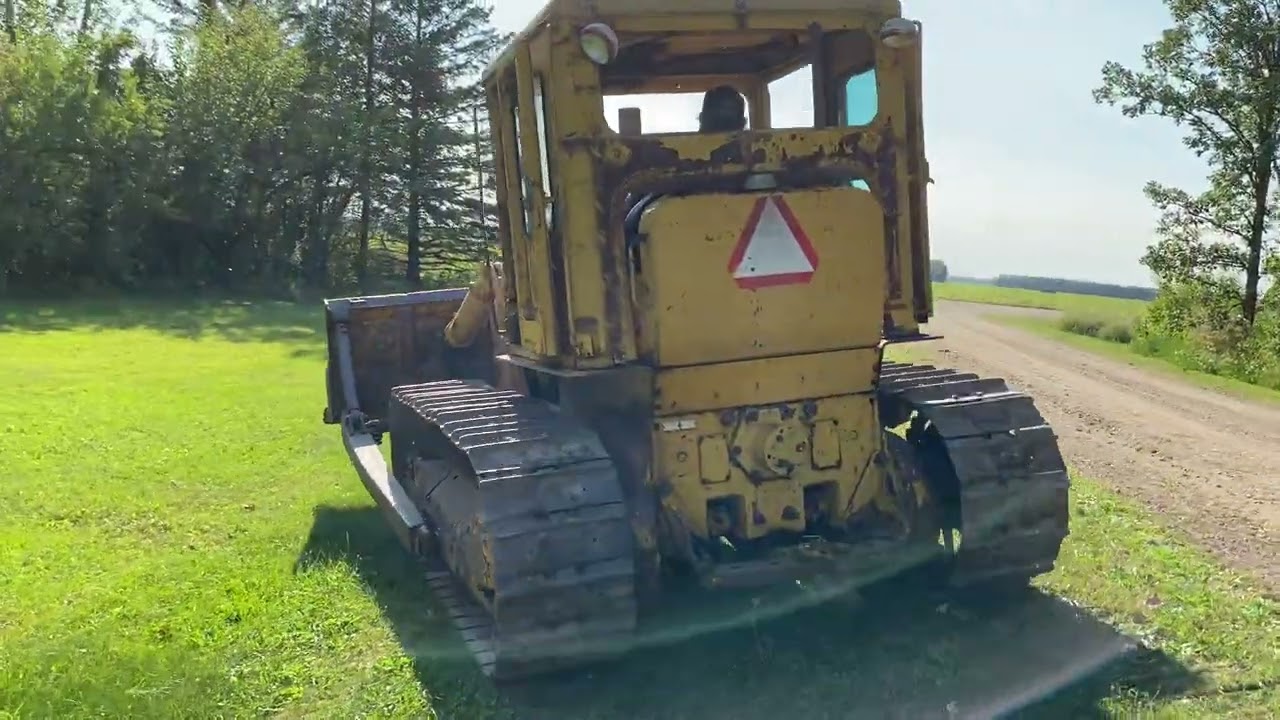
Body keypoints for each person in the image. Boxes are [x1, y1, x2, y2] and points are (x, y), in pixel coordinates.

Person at [623, 85, 747, 244]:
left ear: (702, 119)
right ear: (743, 123)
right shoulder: (759, 164)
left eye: (725, 122)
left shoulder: (674, 163)